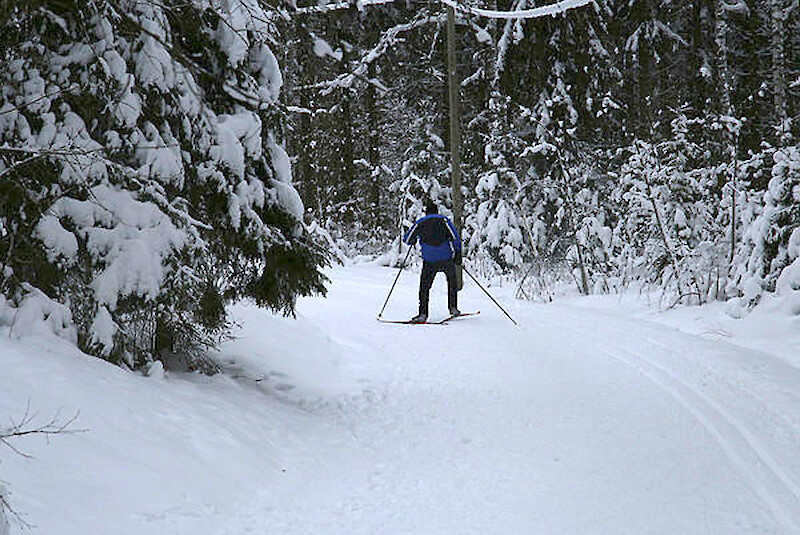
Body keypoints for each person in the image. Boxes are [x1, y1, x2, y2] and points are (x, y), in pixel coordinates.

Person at [403, 200, 462, 323]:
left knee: (424, 287)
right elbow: (455, 237)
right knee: (452, 282)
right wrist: (457, 253)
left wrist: (414, 239)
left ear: (426, 212)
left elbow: (407, 239)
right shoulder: (444, 220)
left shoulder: (420, 223)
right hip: (446, 258)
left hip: (429, 261)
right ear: (436, 211)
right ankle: (453, 308)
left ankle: (423, 313)